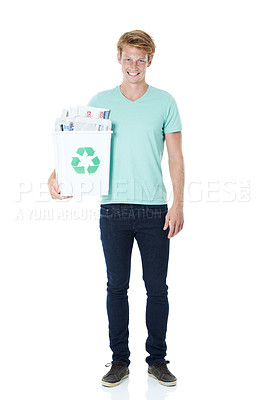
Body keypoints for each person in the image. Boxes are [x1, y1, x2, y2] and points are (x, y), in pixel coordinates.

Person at [48, 29, 184, 387]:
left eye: (141, 59)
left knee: (157, 289)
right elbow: (78, 146)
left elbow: (175, 157)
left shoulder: (165, 102)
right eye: (128, 58)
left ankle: (157, 360)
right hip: (114, 210)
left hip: (155, 209)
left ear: (149, 61)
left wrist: (179, 204)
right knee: (116, 287)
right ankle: (119, 361)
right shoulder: (101, 102)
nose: (134, 65)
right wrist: (56, 174)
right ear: (119, 59)